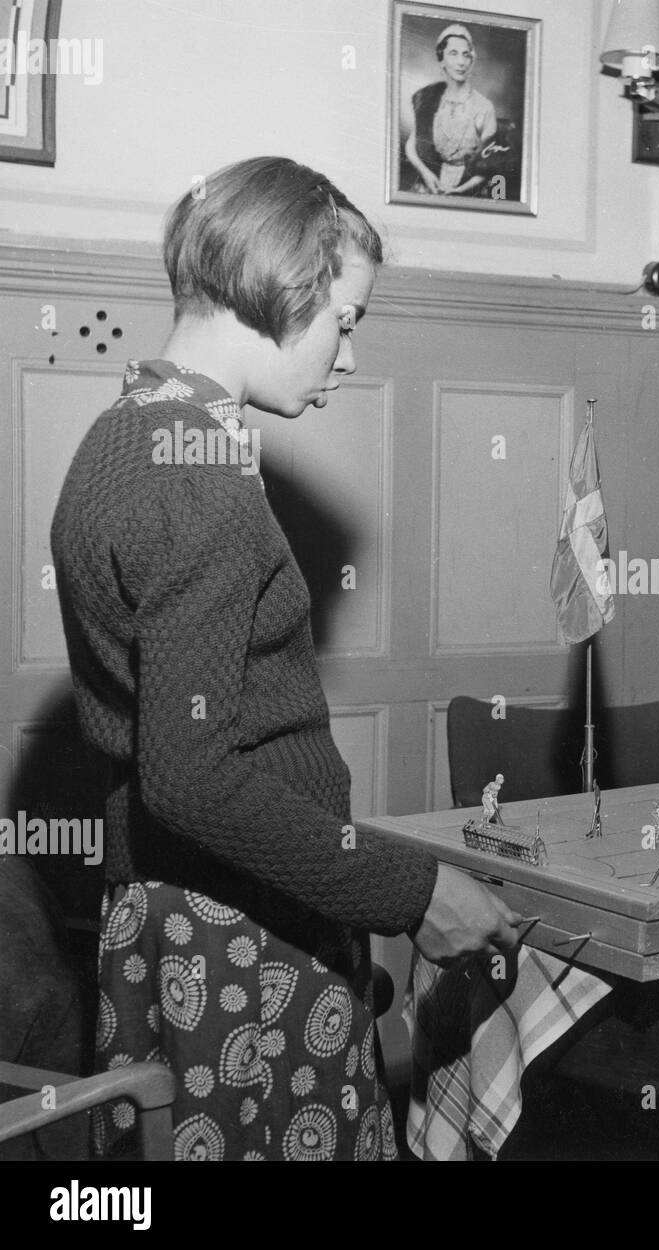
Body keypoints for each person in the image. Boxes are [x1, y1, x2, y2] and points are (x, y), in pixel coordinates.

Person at [50, 156, 522, 1161]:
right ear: (278, 286)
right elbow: (190, 774)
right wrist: (415, 891)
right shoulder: (203, 480)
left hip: (172, 908)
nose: (348, 356)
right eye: (344, 320)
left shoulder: (118, 438)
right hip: (238, 925)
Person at [404, 23, 497, 198]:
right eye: (453, 54)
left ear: (472, 60)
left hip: (469, 190)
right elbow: (412, 144)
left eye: (466, 55)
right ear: (441, 60)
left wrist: (459, 191)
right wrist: (425, 173)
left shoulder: (484, 107)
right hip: (430, 185)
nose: (461, 62)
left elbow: (489, 164)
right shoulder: (427, 98)